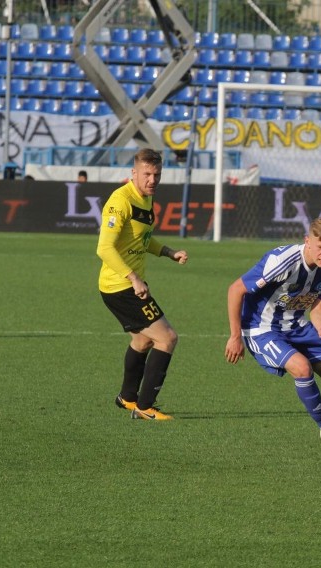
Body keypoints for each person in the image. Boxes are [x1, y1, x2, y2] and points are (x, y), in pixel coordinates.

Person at [225, 215, 321, 451]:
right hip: (262, 328)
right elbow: (236, 289)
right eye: (320, 247)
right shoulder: (283, 260)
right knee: (302, 367)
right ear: (307, 240)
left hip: (297, 325)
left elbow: (318, 306)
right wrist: (235, 336)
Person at [96, 148, 188, 420]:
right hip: (120, 286)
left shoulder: (146, 199)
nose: (152, 179)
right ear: (133, 173)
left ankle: (127, 398)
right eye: (146, 174)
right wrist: (133, 278)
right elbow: (104, 248)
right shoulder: (120, 201)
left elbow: (142, 240)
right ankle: (145, 407)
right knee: (167, 338)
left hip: (125, 285)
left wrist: (169, 252)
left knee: (143, 339)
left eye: (156, 174)